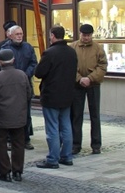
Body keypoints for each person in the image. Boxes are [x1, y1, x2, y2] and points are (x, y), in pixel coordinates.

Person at [34, 26, 78, 169]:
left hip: (52, 94)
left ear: (52, 36)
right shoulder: (71, 52)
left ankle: (53, 159)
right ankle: (67, 156)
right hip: (67, 94)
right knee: (66, 125)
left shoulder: (50, 53)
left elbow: (39, 73)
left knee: (52, 127)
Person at [0, 49, 32, 182]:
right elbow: (29, 95)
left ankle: (4, 172)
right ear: (13, 60)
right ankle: (17, 171)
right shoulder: (22, 75)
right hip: (19, 116)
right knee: (18, 144)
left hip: (1, 116)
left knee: (1, 144)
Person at [70, 24, 107, 155]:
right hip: (77, 85)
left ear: (92, 35)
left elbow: (102, 66)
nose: (86, 38)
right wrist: (79, 78)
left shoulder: (98, 48)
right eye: (84, 35)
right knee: (76, 115)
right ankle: (75, 144)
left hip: (93, 84)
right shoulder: (72, 47)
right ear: (80, 34)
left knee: (95, 115)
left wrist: (90, 78)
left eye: (88, 35)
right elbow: (69, 66)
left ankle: (96, 145)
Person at [0, 25, 37, 149]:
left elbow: (33, 63)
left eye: (21, 34)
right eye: (17, 34)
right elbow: (0, 65)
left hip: (25, 83)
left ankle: (26, 138)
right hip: (10, 86)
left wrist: (25, 74)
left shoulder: (28, 47)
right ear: (10, 35)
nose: (20, 36)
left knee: (26, 113)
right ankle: (10, 139)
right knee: (10, 113)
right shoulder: (5, 49)